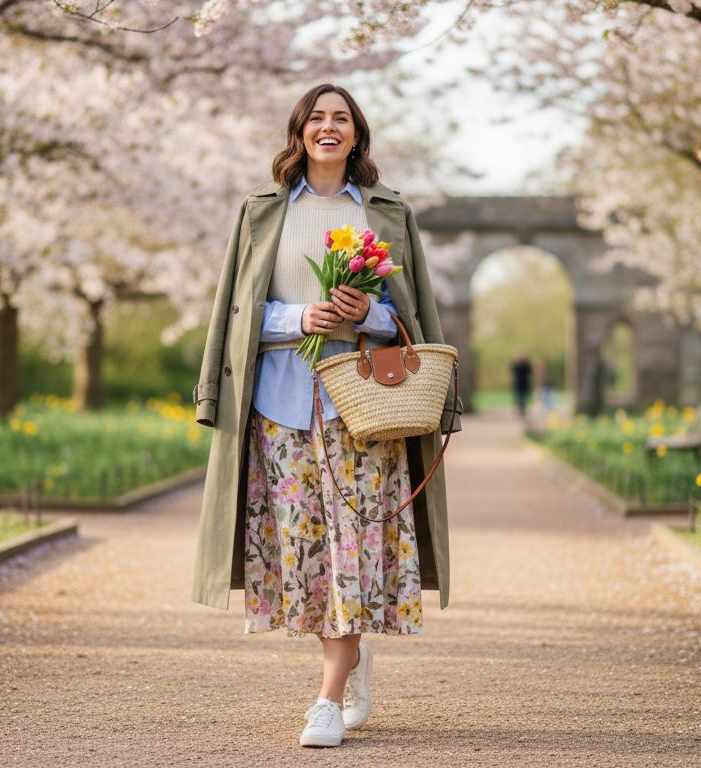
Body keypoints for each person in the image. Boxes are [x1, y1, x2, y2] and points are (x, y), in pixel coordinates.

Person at [190, 83, 461, 748]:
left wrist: (362, 313)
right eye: (318, 117)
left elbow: (411, 314)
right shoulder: (261, 211)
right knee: (302, 555)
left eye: (342, 118)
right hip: (277, 410)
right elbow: (235, 312)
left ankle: (327, 698)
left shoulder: (386, 212)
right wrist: (300, 317)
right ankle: (351, 654)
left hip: (363, 410)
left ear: (357, 134)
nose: (329, 127)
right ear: (300, 131)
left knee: (350, 548)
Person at [510, 349, 533, 415]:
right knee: (519, 397)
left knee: (524, 398)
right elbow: (513, 372)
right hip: (518, 384)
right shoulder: (516, 365)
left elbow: (529, 371)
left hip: (525, 384)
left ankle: (523, 410)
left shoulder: (526, 365)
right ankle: (520, 409)